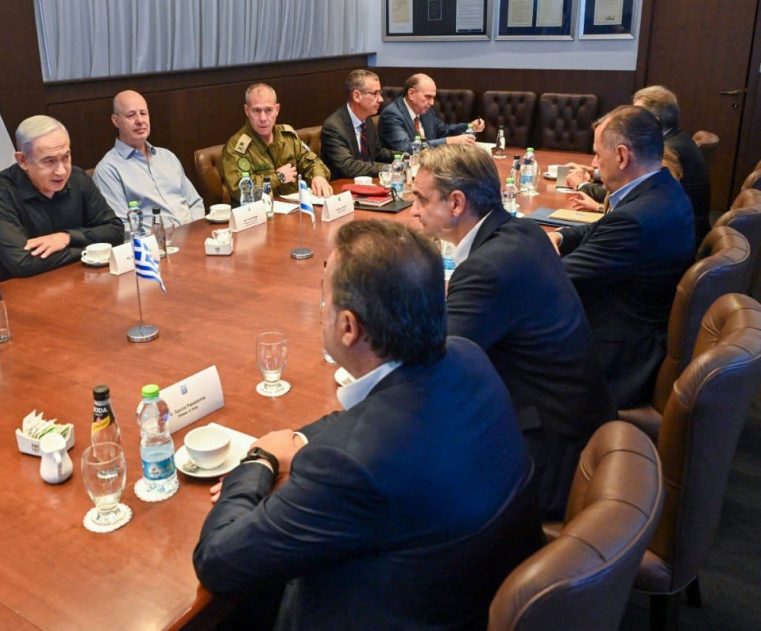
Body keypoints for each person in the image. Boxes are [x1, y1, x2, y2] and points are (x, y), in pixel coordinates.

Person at [193, 220, 543, 629]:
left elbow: (217, 561)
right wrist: (299, 440)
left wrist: (259, 459)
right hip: (473, 596)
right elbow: (362, 420)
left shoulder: (349, 465)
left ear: (348, 327)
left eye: (324, 298)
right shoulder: (467, 357)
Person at [410, 145, 614, 519]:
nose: (413, 210)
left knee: (408, 475)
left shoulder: (487, 268)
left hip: (550, 455)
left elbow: (430, 369)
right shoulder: (523, 231)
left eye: (421, 199)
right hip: (580, 422)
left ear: (456, 203)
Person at [548, 106, 695, 411]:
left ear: (622, 156)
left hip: (618, 354)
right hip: (633, 324)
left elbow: (557, 279)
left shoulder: (638, 219)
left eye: (597, 154)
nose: (594, 164)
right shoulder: (662, 188)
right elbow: (601, 229)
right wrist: (560, 237)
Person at [0, 115, 124, 281]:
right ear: (23, 160)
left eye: (66, 157)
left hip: (73, 277)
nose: (61, 171)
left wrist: (66, 237)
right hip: (11, 286)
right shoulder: (0, 192)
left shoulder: (78, 178)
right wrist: (88, 250)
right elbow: (23, 263)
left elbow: (116, 231)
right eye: (49, 161)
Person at [93, 90, 204, 229]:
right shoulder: (108, 169)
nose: (140, 121)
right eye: (131, 115)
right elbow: (122, 227)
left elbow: (195, 203)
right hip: (153, 242)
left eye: (143, 113)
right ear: (116, 121)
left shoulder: (167, 156)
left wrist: (195, 232)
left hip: (193, 234)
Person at [221, 83, 331, 204]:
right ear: (247, 111)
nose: (263, 118)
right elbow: (240, 189)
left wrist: (318, 176)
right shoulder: (237, 147)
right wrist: (278, 177)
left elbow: (312, 162)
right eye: (256, 110)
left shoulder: (288, 136)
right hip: (260, 212)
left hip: (293, 208)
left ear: (277, 110)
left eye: (268, 110)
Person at [633, 85, 711, 243]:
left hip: (679, 237)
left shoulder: (669, 150)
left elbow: (640, 193)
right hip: (685, 229)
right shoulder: (678, 139)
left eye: (637, 115)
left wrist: (591, 193)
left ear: (655, 121)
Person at [378, 73, 484, 152]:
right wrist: (449, 141)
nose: (432, 103)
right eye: (428, 97)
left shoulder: (425, 111)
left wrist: (470, 126)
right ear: (411, 94)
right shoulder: (392, 115)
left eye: (433, 98)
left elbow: (445, 131)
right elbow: (405, 148)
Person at [319, 69, 396, 179]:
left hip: (367, 183)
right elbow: (348, 167)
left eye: (380, 93)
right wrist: (389, 168)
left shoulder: (366, 119)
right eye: (375, 93)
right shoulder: (333, 127)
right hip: (342, 186)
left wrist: (403, 158)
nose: (381, 99)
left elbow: (377, 152)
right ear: (356, 96)